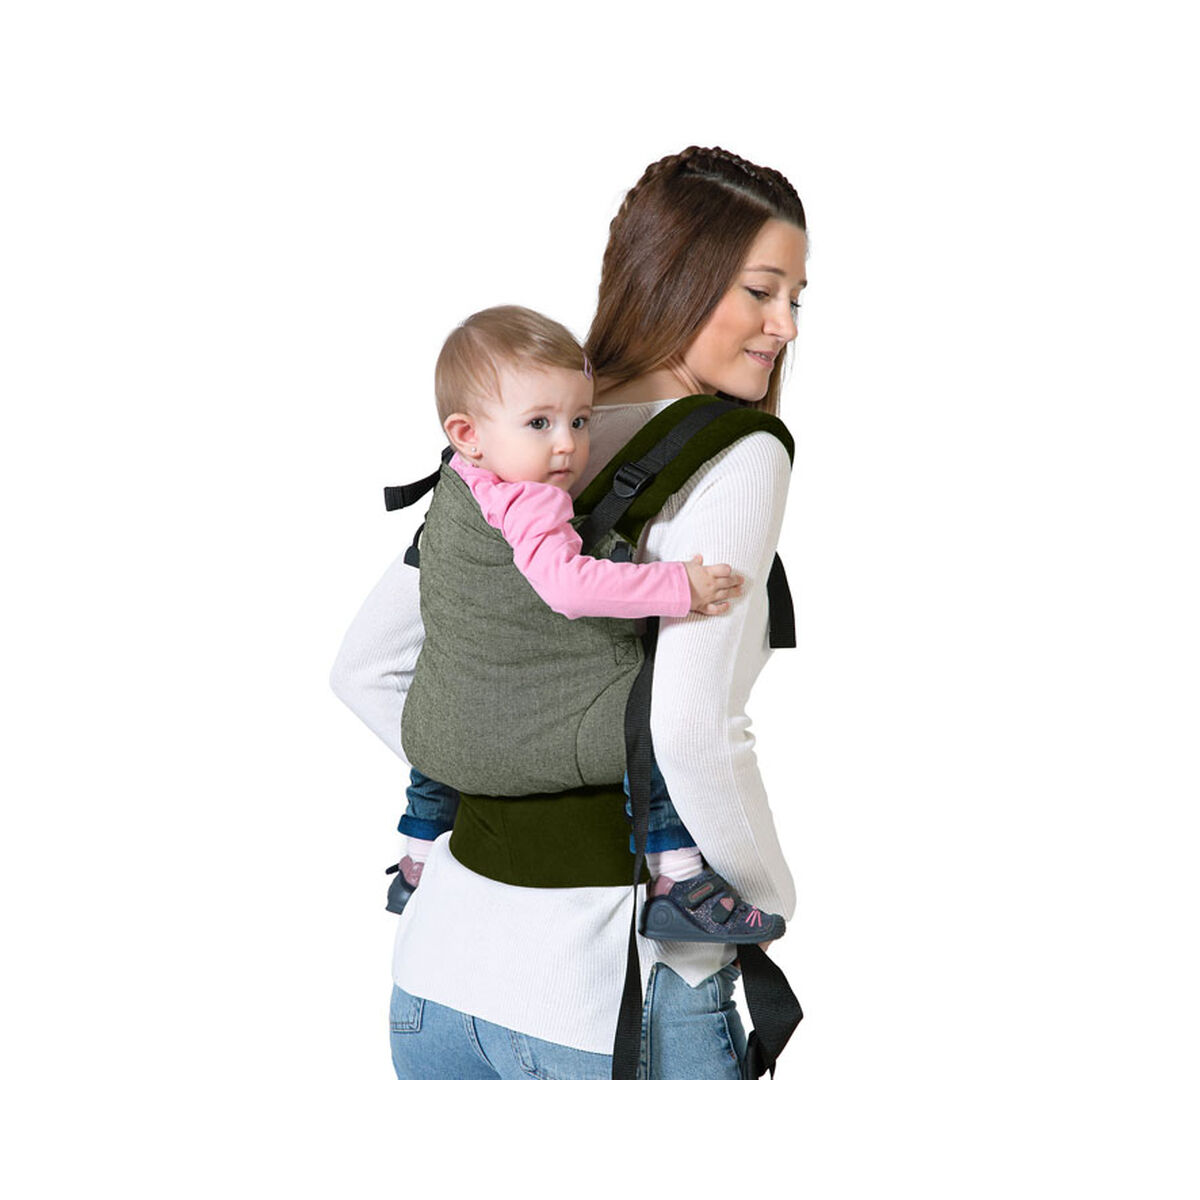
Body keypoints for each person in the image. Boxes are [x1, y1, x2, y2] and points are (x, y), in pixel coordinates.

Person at [331, 145, 807, 1079]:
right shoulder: (736, 452)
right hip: (607, 996)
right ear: (675, 276)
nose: (784, 325)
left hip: (433, 982)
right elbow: (688, 731)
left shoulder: (502, 435)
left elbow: (366, 671)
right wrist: (767, 898)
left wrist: (501, 769)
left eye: (797, 299)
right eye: (761, 291)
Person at [387, 304, 787, 948]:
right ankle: (678, 877)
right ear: (467, 433)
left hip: (438, 735)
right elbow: (569, 587)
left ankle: (417, 860)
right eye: (539, 423)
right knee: (647, 724)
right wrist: (679, 586)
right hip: (521, 745)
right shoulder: (532, 500)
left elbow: (366, 669)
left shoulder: (462, 479)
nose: (568, 444)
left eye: (579, 420)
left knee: (444, 711)